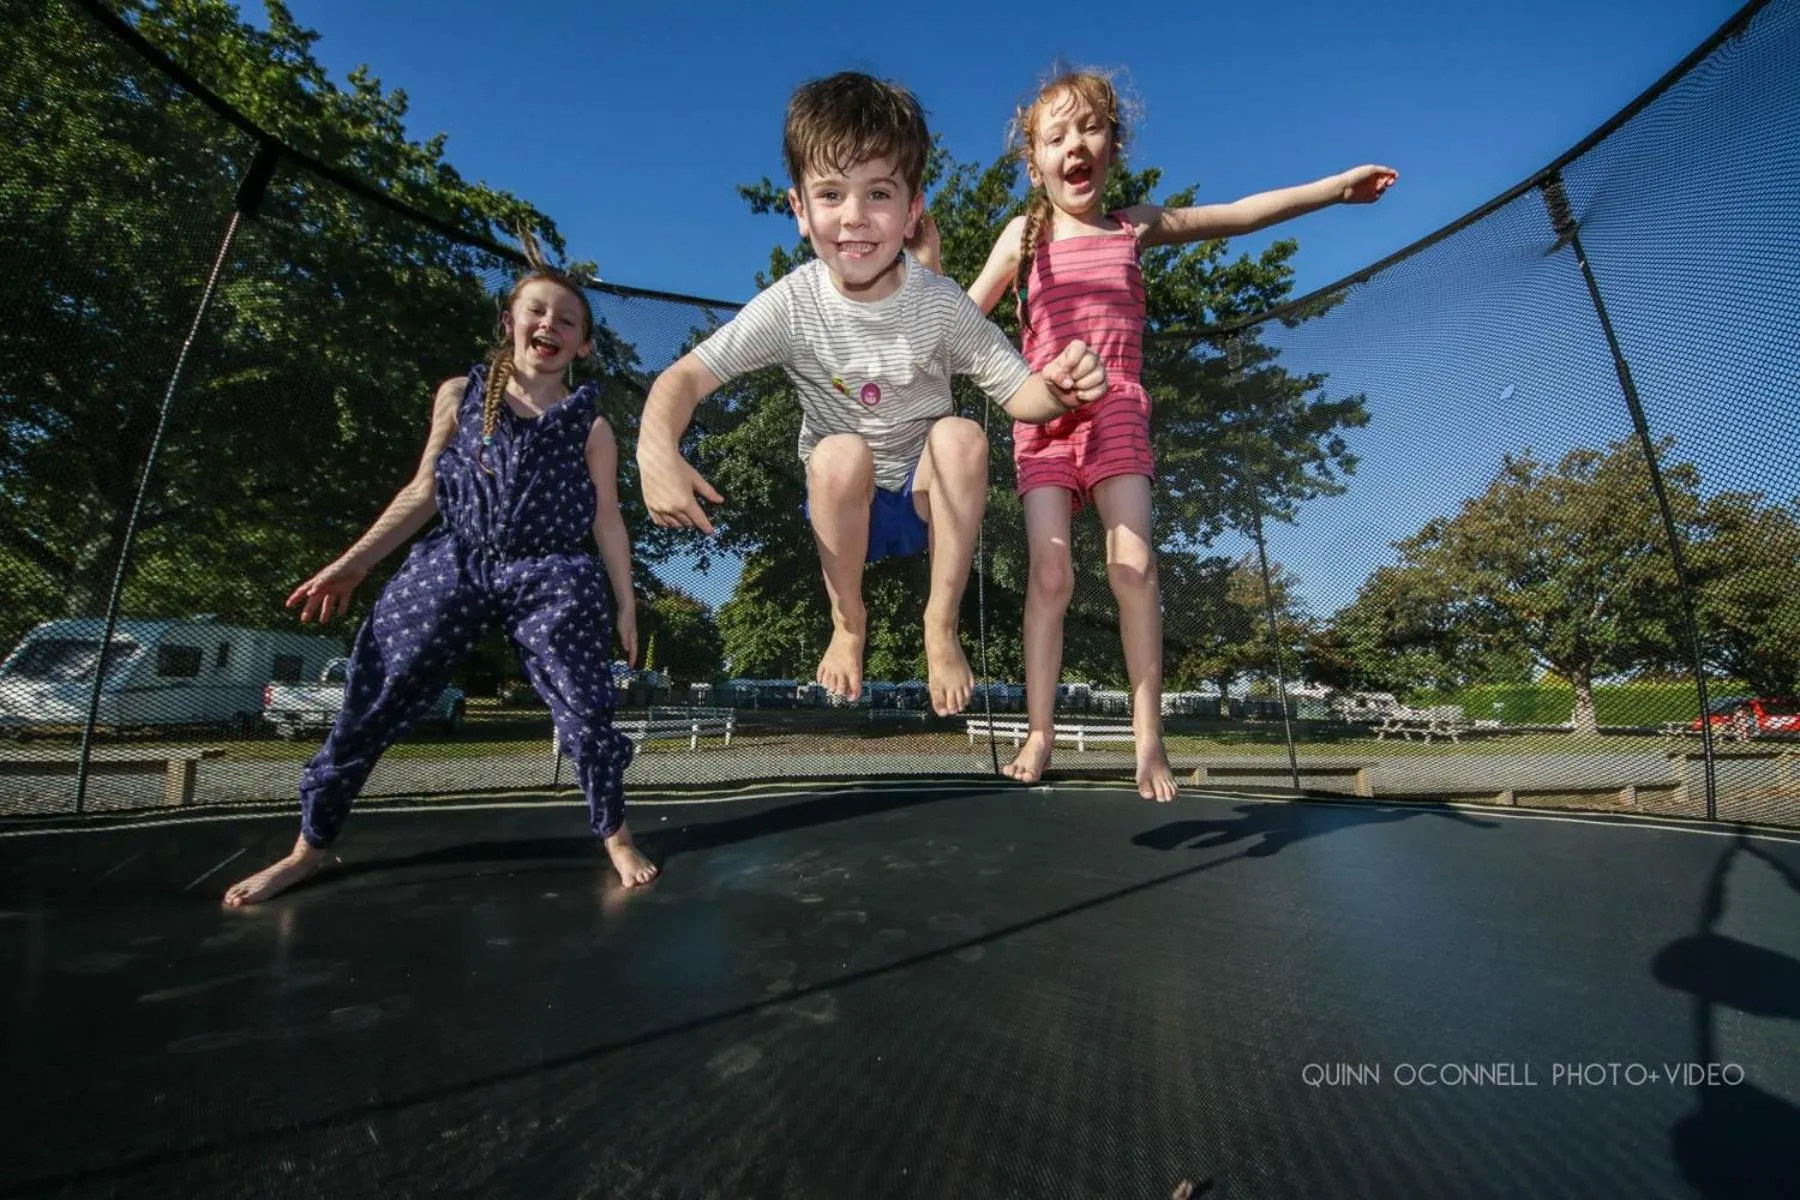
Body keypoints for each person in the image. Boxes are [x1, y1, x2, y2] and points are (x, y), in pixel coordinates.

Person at [938, 68, 1395, 800]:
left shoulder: (1133, 226)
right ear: (1035, 162)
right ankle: (1041, 731)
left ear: (1114, 146)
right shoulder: (1023, 236)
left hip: (1116, 404)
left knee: (1133, 568)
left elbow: (1238, 215)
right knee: (1051, 576)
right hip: (1044, 414)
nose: (1074, 145)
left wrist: (1334, 188)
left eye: (1090, 129)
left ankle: (1149, 739)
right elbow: (960, 321)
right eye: (1056, 137)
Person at [636, 70, 1108, 717]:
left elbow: (1020, 392)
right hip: (845, 505)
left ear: (912, 210)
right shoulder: (793, 304)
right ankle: (848, 621)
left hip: (923, 500)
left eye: (879, 193)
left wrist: (1056, 391)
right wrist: (655, 448)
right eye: (831, 194)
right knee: (840, 453)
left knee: (961, 436)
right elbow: (683, 378)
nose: (854, 216)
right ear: (800, 210)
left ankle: (940, 624)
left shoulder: (940, 304)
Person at [223, 262, 656, 905]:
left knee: (585, 704)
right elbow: (423, 491)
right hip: (456, 556)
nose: (550, 325)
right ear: (509, 323)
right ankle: (307, 848)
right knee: (377, 688)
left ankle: (616, 836)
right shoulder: (461, 395)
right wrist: (355, 562)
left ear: (583, 345)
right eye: (537, 312)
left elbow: (608, 519)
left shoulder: (590, 427)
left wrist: (625, 602)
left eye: (567, 320)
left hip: (550, 568)